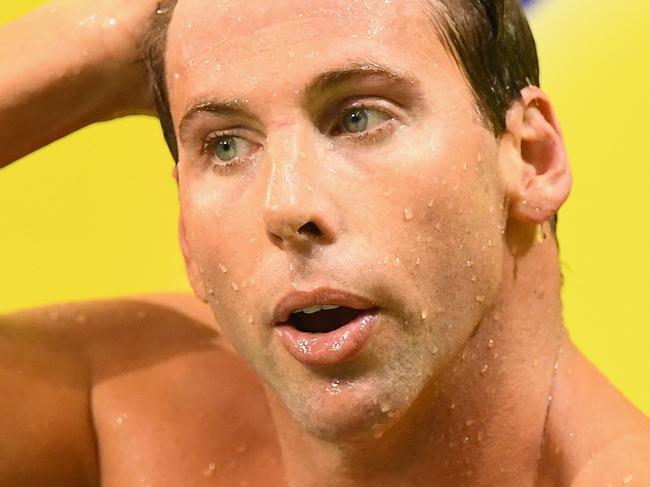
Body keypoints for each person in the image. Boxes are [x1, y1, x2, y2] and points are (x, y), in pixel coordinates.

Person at [1, 0, 648, 485]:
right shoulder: (131, 414)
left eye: (359, 117)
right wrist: (105, 37)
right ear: (186, 234)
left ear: (531, 158)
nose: (286, 205)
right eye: (226, 145)